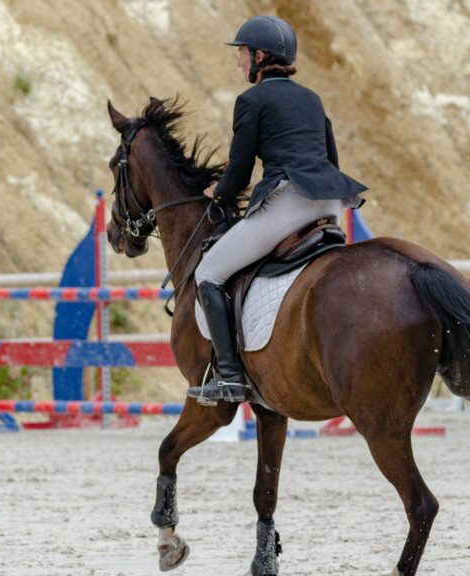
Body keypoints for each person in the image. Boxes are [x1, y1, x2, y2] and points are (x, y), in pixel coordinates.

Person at [187, 15, 368, 405]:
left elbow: (239, 170)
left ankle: (231, 377)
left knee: (208, 273)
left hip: (289, 203)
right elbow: (330, 159)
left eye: (241, 54)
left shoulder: (251, 100)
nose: (238, 62)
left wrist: (219, 193)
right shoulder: (312, 99)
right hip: (329, 204)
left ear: (260, 55)